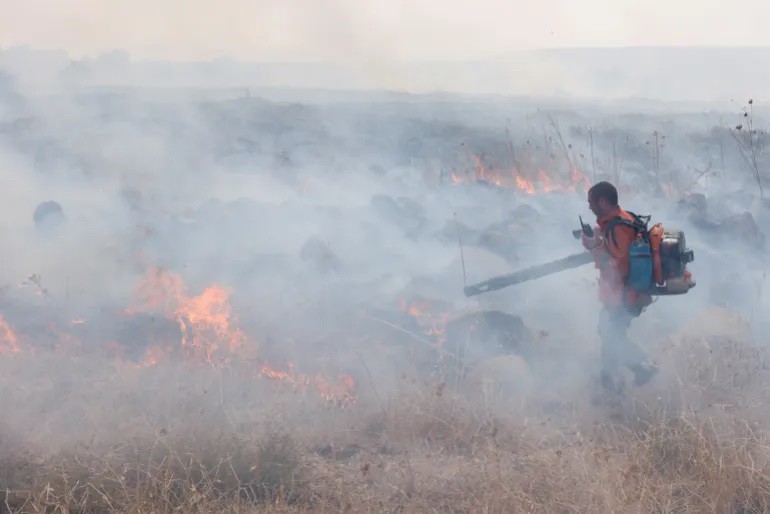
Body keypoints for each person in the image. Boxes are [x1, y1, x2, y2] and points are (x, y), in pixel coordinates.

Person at [580, 181, 658, 392]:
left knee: (611, 336)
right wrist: (597, 238)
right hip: (624, 295)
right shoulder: (622, 219)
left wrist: (593, 247)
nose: (589, 207)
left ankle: (643, 367)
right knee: (609, 335)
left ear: (603, 202)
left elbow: (618, 265)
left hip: (625, 297)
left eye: (591, 202)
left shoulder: (619, 226)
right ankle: (610, 387)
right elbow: (614, 248)